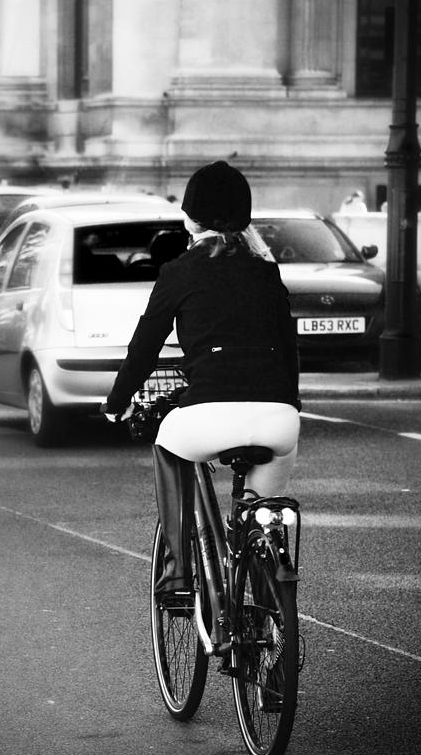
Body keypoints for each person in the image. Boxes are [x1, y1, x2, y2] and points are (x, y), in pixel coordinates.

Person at [102, 161, 301, 595]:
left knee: (167, 445)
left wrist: (117, 403)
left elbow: (144, 347)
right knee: (260, 518)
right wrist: (291, 403)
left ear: (190, 218)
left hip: (208, 412)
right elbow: (289, 346)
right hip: (279, 418)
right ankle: (269, 617)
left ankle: (176, 570)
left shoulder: (180, 271)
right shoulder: (266, 271)